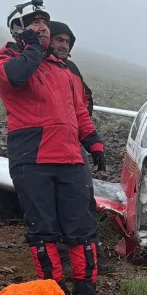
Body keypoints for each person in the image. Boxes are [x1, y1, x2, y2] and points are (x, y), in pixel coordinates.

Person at [0, 0, 107, 295]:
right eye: (33, 23)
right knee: (43, 232)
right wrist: (30, 48)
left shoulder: (63, 69)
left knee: (82, 231)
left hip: (70, 158)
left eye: (44, 22)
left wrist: (94, 142)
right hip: (32, 158)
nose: (41, 27)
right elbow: (15, 77)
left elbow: (78, 110)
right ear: (18, 29)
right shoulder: (6, 59)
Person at [48, 20, 114, 274]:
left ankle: (90, 255)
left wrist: (92, 141)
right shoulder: (40, 68)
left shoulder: (72, 69)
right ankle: (63, 255)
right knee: (57, 202)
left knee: (85, 199)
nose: (64, 46)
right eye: (59, 40)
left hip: (75, 145)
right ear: (48, 41)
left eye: (67, 42)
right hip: (50, 146)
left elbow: (81, 106)